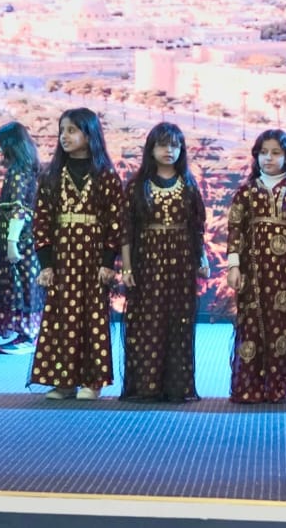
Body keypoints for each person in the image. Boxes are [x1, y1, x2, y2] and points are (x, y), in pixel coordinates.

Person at [30, 108, 127, 401]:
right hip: (62, 258)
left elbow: (115, 222)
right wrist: (46, 264)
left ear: (89, 133)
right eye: (62, 130)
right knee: (61, 317)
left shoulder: (106, 175)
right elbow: (41, 221)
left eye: (72, 130)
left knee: (92, 316)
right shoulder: (51, 175)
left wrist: (108, 263)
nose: (65, 136)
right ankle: (63, 381)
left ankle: (92, 381)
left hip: (93, 258)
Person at [222, 129, 286, 404]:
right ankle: (250, 386)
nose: (269, 158)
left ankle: (279, 385)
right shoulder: (246, 192)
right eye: (263, 152)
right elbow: (235, 230)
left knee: (283, 327)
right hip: (253, 274)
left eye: (276, 152)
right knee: (251, 326)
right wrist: (233, 266)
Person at [121, 122, 208, 402]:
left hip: (181, 263)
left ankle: (176, 387)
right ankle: (146, 386)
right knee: (147, 322)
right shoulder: (137, 186)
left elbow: (197, 227)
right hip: (147, 262)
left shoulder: (189, 185)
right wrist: (126, 267)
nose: (168, 150)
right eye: (162, 145)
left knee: (179, 323)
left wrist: (202, 259)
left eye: (174, 145)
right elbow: (127, 230)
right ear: (151, 149)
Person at [0, 121, 42, 355]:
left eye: (1, 144)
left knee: (22, 285)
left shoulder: (19, 173)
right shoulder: (26, 169)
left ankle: (28, 336)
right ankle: (26, 334)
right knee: (22, 285)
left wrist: (11, 242)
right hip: (23, 239)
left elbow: (19, 209)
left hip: (21, 241)